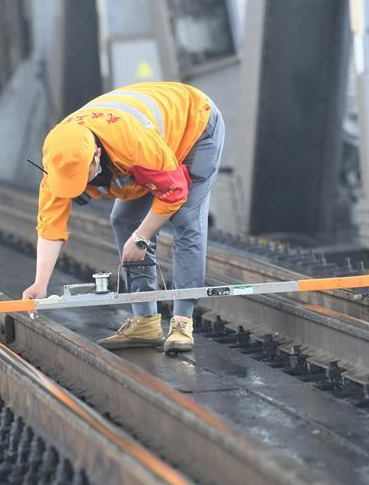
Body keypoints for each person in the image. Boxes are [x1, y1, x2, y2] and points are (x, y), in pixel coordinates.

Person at [22, 82, 225, 353]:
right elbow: (50, 226)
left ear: (96, 155)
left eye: (82, 177)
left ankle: (182, 321)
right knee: (123, 220)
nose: (79, 187)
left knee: (186, 219)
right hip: (152, 147)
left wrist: (142, 238)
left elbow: (174, 191)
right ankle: (145, 322)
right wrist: (40, 282)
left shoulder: (132, 144)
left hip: (194, 127)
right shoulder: (60, 161)